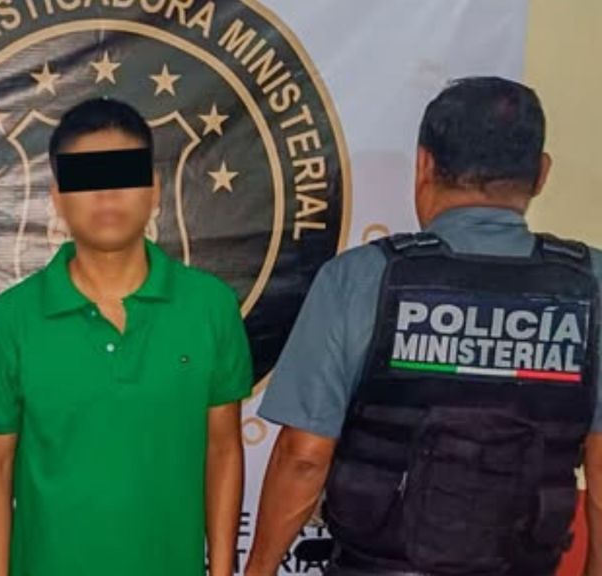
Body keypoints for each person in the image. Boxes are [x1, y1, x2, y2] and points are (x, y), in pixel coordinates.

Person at [244, 76, 602, 576]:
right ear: (541, 174)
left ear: (424, 165)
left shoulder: (361, 277)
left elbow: (304, 457)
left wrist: (259, 568)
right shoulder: (591, 285)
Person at [0, 97, 254, 576]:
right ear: (58, 198)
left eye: (122, 174)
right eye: (87, 178)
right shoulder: (11, 319)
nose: (106, 195)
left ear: (154, 189)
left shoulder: (210, 307)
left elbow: (223, 449)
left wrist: (223, 570)